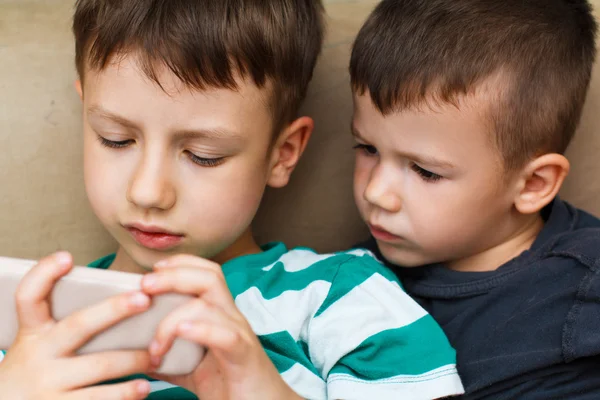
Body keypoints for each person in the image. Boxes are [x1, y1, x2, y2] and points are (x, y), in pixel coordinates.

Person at [0, 1, 464, 399]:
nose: (147, 192)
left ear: (281, 155)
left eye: (204, 156)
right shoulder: (31, 325)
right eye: (116, 139)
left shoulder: (340, 300)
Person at [349, 0, 600, 398]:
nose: (374, 192)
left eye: (425, 170)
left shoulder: (584, 286)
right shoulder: (352, 279)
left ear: (533, 184)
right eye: (366, 148)